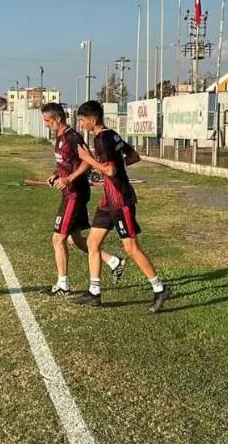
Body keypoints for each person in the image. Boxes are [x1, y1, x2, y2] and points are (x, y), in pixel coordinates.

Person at [73, 100, 169, 313]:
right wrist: (112, 171)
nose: (80, 124)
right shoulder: (112, 134)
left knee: (131, 248)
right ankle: (94, 293)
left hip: (120, 200)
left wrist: (89, 159)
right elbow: (134, 156)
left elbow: (110, 170)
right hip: (108, 200)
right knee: (92, 242)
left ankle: (159, 288)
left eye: (82, 120)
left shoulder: (101, 139)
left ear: (93, 119)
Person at [40, 102, 124, 296]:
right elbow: (67, 163)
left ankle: (63, 285)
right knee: (74, 240)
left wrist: (69, 178)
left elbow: (87, 160)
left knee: (57, 239)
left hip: (75, 194)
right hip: (69, 192)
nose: (45, 124)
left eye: (47, 120)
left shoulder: (72, 137)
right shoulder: (59, 138)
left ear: (58, 119)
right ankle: (113, 261)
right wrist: (55, 174)